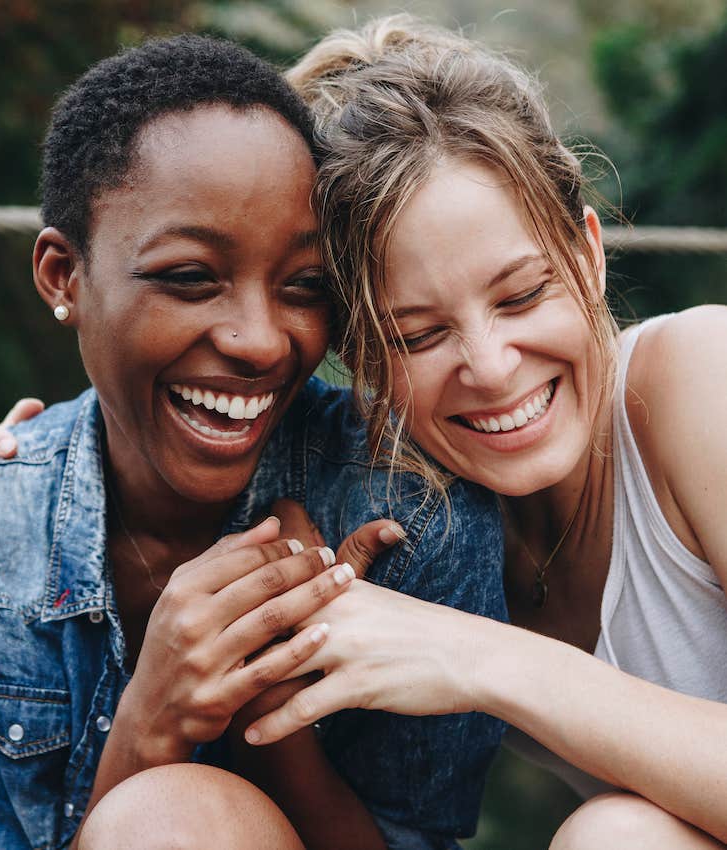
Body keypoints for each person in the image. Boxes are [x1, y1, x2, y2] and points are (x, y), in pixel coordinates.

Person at [0, 32, 507, 850]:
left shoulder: (409, 514)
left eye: (305, 287)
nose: (259, 341)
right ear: (62, 277)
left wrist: (275, 710)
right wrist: (152, 722)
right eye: (189, 277)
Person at [238, 17, 727, 849]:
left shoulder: (698, 378)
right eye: (418, 335)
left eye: (522, 295)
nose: (493, 368)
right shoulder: (425, 513)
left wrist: (485, 660)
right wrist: (2, 470)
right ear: (357, 358)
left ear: (588, 253)